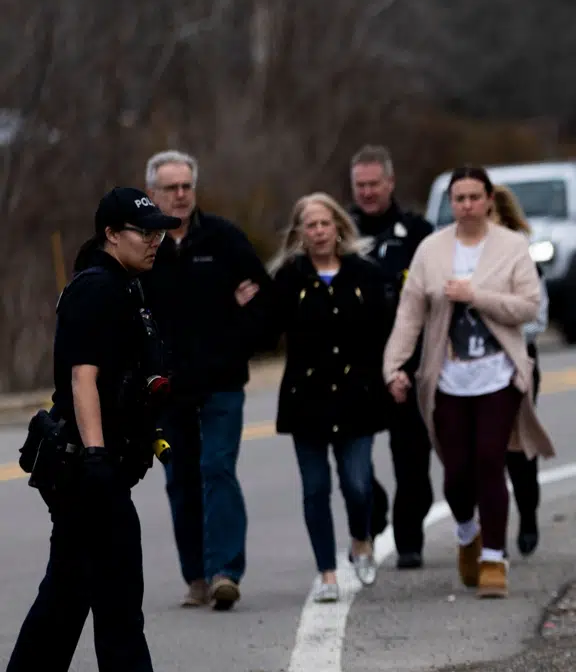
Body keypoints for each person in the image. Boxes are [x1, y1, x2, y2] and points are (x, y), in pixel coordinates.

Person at [0, 188, 195, 672]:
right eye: (145, 232)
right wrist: (96, 458)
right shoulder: (96, 288)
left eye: (160, 231)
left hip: (94, 465)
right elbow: (83, 379)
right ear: (112, 233)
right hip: (88, 467)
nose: (155, 239)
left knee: (66, 594)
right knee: (117, 595)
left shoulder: (126, 284)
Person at [383, 167, 555, 601]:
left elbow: (529, 307)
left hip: (498, 371)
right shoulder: (431, 250)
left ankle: (494, 558)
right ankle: (467, 533)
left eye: (474, 197)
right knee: (456, 471)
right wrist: (394, 365)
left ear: (488, 201)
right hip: (447, 374)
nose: (466, 206)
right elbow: (410, 314)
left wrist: (476, 296)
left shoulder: (512, 246)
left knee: (490, 461)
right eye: (458, 198)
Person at [144, 151, 271, 611]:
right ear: (151, 193)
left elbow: (264, 304)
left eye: (186, 186)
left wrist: (234, 344)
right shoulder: (143, 247)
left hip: (221, 383)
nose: (180, 195)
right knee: (181, 478)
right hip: (168, 390)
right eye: (170, 187)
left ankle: (224, 572)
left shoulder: (224, 240)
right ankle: (195, 575)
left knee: (217, 468)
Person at [269, 194, 390, 603]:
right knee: (315, 488)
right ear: (300, 233)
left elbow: (385, 331)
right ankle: (327, 573)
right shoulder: (289, 279)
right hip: (307, 399)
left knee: (357, 485)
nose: (318, 231)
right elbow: (265, 332)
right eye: (310, 225)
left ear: (338, 227)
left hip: (357, 397)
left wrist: (390, 377)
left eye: (324, 223)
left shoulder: (365, 275)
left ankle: (362, 539)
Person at [349, 145, 435, 570]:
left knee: (413, 460)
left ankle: (409, 539)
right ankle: (375, 511)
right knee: (354, 463)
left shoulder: (418, 232)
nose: (367, 192)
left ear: (390, 182)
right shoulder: (341, 232)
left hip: (409, 364)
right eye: (360, 185)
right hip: (357, 367)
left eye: (374, 184)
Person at [492, 184, 550, 557]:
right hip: (469, 366)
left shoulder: (522, 258)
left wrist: (494, 316)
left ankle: (527, 514)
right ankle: (488, 530)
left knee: (517, 449)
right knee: (482, 452)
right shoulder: (460, 259)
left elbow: (536, 319)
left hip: (517, 365)